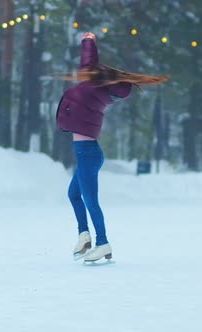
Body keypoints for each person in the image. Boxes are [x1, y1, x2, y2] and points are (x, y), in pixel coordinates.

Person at [56, 32, 169, 262]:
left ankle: (103, 242)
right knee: (74, 194)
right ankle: (84, 235)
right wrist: (89, 41)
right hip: (87, 152)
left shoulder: (96, 89)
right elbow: (89, 62)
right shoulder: (96, 88)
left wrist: (90, 44)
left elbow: (90, 65)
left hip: (87, 153)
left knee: (89, 200)